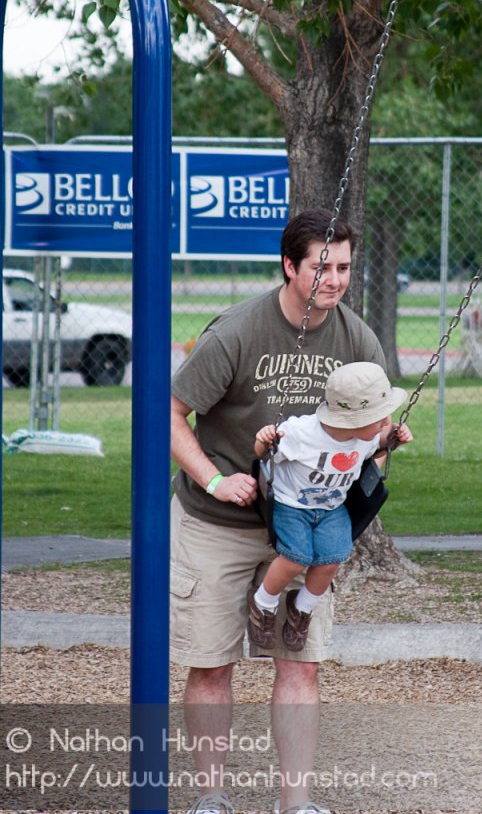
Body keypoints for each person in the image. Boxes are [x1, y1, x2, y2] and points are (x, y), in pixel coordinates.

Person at [170, 208, 388, 814]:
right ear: (290, 266)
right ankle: (212, 796)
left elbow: (371, 422)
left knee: (301, 666)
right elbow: (169, 412)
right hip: (220, 524)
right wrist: (214, 479)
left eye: (344, 266)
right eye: (323, 266)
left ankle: (297, 804)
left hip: (308, 521)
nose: (336, 279)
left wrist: (384, 440)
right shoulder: (237, 332)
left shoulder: (355, 340)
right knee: (212, 663)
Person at [249, 362, 413, 654]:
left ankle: (302, 608)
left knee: (332, 559)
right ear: (351, 419)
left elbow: (378, 446)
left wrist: (394, 439)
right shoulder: (300, 433)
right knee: (296, 558)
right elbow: (264, 456)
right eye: (379, 418)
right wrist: (263, 441)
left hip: (332, 507)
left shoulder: (367, 436)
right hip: (291, 504)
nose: (386, 421)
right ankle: (263, 603)